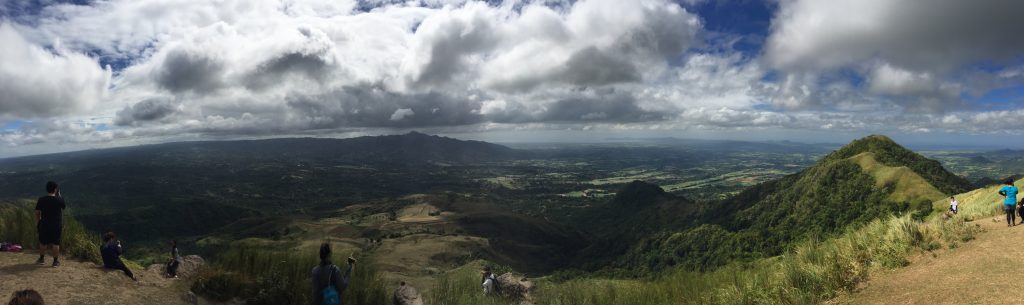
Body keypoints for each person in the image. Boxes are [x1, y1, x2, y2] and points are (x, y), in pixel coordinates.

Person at [35, 181, 66, 267]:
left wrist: (38, 222)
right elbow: (63, 206)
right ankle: (55, 262)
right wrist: (59, 195)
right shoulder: (59, 199)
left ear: (47, 189)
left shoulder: (41, 200)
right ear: (55, 190)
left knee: (43, 242)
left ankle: (41, 259)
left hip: (44, 224)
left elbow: (37, 212)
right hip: (56, 224)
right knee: (56, 243)